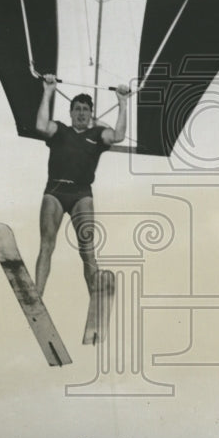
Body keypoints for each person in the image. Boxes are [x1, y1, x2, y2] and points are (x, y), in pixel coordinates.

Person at [34, 74, 130, 296]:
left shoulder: (96, 134)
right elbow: (41, 125)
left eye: (85, 109)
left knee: (87, 250)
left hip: (81, 194)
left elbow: (118, 136)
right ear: (70, 112)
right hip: (55, 191)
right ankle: (37, 295)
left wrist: (123, 103)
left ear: (90, 114)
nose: (80, 112)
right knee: (47, 245)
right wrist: (48, 90)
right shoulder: (60, 130)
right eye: (77, 108)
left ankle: (95, 299)